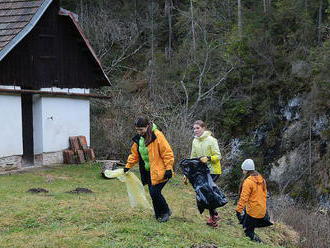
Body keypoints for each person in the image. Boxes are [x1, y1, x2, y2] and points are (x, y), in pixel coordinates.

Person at [124, 117, 174, 222]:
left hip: (161, 170)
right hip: (149, 172)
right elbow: (135, 154)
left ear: (147, 126)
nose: (139, 132)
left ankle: (166, 212)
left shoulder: (157, 136)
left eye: (141, 129)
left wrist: (169, 168)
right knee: (153, 193)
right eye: (137, 130)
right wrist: (128, 166)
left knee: (154, 192)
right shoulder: (139, 139)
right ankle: (158, 215)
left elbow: (167, 153)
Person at [189, 120, 222, 227]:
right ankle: (214, 214)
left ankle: (213, 218)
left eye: (197, 128)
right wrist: (188, 172)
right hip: (201, 170)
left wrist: (208, 158)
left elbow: (218, 156)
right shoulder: (195, 141)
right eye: (194, 128)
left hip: (213, 170)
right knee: (204, 193)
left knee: (207, 193)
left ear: (203, 128)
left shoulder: (212, 140)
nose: (195, 130)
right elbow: (192, 157)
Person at [235, 159, 273, 242]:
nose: (242, 171)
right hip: (261, 210)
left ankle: (260, 243)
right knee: (246, 222)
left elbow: (243, 198)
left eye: (243, 170)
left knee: (248, 231)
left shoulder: (248, 182)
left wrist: (238, 210)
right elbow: (264, 195)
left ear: (246, 170)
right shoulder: (262, 180)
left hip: (253, 212)